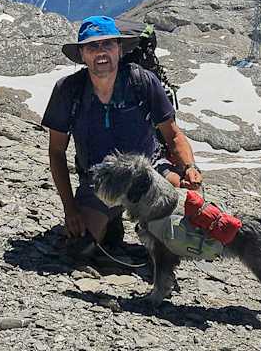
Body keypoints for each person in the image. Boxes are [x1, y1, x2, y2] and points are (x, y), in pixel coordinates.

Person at [42, 15, 203, 255]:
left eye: (107, 44)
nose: (101, 52)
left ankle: (148, 229)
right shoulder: (68, 90)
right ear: (82, 55)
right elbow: (56, 152)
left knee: (176, 219)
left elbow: (173, 135)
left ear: (119, 49)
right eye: (92, 46)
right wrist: (70, 209)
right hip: (100, 179)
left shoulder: (142, 82)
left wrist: (189, 167)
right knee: (81, 247)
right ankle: (111, 222)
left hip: (149, 170)